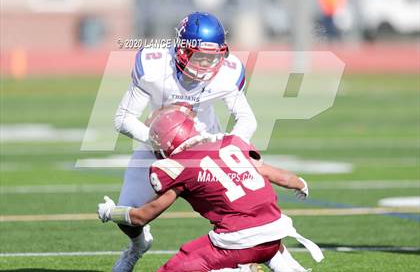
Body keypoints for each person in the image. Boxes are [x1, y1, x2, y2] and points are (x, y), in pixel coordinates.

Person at [112, 12, 257, 271]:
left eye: (212, 57)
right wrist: (158, 141)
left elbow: (247, 120)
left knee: (238, 213)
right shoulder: (154, 66)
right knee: (127, 215)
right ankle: (137, 246)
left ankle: (246, 261)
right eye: (199, 55)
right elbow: (123, 118)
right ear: (181, 49)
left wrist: (229, 147)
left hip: (205, 150)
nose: (206, 63)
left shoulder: (228, 72)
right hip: (158, 148)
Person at [99, 107, 324, 272]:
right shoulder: (231, 144)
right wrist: (299, 183)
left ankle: (234, 271)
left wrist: (111, 212)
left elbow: (141, 217)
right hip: (275, 238)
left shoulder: (177, 166)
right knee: (256, 230)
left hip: (237, 242)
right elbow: (276, 174)